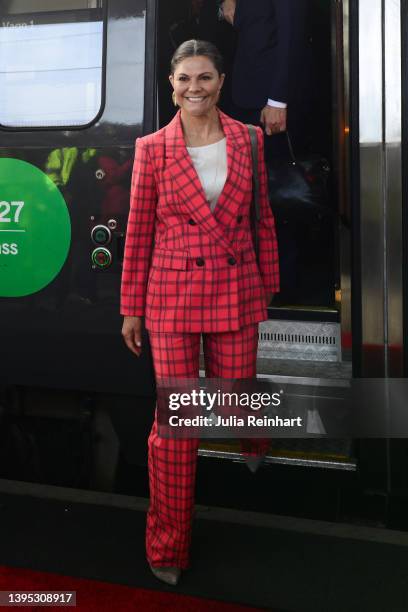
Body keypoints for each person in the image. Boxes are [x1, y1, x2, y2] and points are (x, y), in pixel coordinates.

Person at [120, 39, 279, 586]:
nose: (195, 87)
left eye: (205, 77)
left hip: (236, 289)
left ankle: (252, 437)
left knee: (237, 389)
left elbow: (262, 217)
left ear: (221, 81)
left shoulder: (250, 140)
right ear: (171, 83)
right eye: (185, 78)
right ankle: (167, 543)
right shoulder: (151, 149)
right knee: (177, 427)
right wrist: (131, 309)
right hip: (170, 300)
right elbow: (138, 232)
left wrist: (269, 285)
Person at [219, 0, 312, 155]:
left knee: (276, 173)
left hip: (269, 103)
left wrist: (278, 101)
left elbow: (291, 31)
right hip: (241, 92)